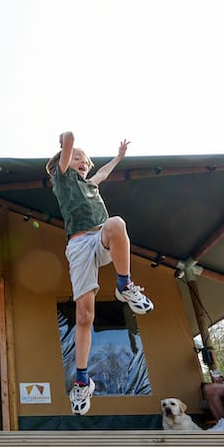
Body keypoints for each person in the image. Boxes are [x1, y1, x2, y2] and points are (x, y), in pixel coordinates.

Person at [47, 131, 154, 416]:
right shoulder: (62, 179)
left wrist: (118, 157)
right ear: (65, 162)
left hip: (101, 238)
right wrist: (66, 140)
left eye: (85, 160)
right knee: (85, 316)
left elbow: (103, 172)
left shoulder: (90, 184)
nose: (83, 162)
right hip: (79, 245)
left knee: (116, 223)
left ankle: (125, 285)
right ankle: (82, 380)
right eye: (77, 159)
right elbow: (69, 140)